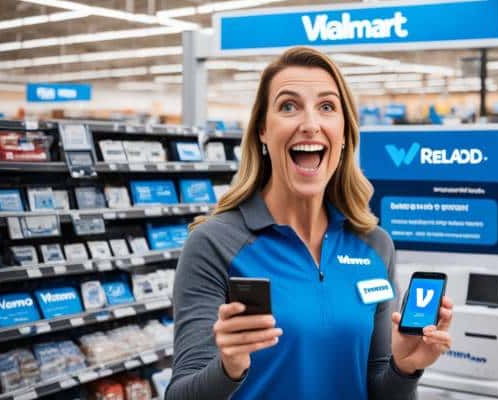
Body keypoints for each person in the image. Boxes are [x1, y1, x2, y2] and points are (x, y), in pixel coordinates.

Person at [166, 47, 454, 400]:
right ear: (262, 130)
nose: (310, 124)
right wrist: (228, 367)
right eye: (288, 106)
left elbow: (379, 388)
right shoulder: (214, 244)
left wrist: (406, 367)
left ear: (345, 132)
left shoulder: (374, 245)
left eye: (327, 107)